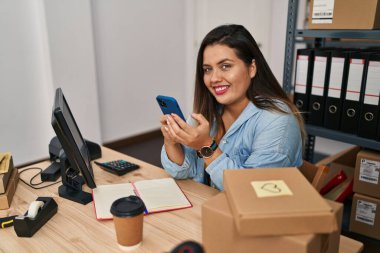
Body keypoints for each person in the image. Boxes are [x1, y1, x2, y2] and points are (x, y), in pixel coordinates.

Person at [160, 24, 305, 191]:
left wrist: (206, 147)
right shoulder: (210, 110)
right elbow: (182, 171)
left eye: (225, 66)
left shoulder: (277, 121)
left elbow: (251, 191)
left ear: (252, 68)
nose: (213, 78)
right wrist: (171, 141)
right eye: (208, 69)